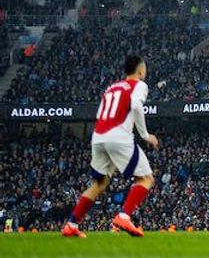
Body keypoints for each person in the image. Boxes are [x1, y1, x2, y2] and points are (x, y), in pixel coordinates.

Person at [62, 54, 160, 238]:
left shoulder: (111, 88)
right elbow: (137, 106)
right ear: (140, 70)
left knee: (99, 183)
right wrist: (146, 135)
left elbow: (101, 114)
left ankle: (72, 224)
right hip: (118, 136)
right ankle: (124, 216)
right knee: (146, 179)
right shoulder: (139, 85)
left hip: (98, 136)